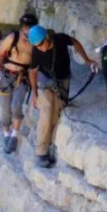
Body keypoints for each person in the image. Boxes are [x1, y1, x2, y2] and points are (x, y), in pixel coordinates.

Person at [27, 25, 97, 168]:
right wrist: (34, 95)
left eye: (40, 44)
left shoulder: (60, 39)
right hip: (45, 81)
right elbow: (32, 72)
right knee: (46, 109)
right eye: (36, 46)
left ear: (47, 38)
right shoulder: (36, 51)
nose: (39, 48)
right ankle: (41, 152)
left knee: (55, 114)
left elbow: (75, 43)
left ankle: (51, 146)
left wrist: (87, 59)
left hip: (62, 81)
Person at [0, 13, 37, 154]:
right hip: (6, 75)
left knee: (16, 105)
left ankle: (14, 135)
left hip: (22, 77)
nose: (27, 31)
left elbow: (36, 66)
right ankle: (6, 132)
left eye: (30, 28)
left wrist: (35, 91)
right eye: (26, 28)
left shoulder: (35, 43)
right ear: (22, 27)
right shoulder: (12, 38)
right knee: (5, 108)